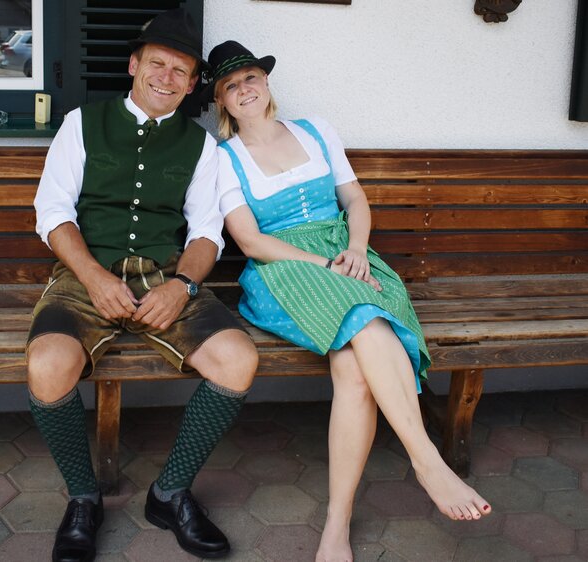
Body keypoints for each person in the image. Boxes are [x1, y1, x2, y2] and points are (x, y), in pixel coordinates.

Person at [204, 40, 492, 562]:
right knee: (363, 316)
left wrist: (355, 249)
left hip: (348, 253)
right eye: (230, 85)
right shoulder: (224, 159)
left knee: (355, 371)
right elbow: (250, 242)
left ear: (265, 83)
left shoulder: (317, 131)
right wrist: (325, 266)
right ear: (221, 102)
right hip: (284, 270)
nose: (244, 89)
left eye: (250, 77)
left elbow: (355, 199)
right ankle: (426, 460)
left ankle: (336, 526)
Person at [27, 13, 258, 562]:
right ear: (134, 65)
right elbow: (52, 213)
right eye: (157, 63)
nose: (168, 77)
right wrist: (93, 276)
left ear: (193, 82)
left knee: (238, 358)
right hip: (86, 275)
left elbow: (206, 232)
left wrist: (181, 285)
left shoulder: (201, 147)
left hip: (164, 276)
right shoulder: (82, 123)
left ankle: (170, 492)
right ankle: (84, 498)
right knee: (47, 364)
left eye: (182, 71)